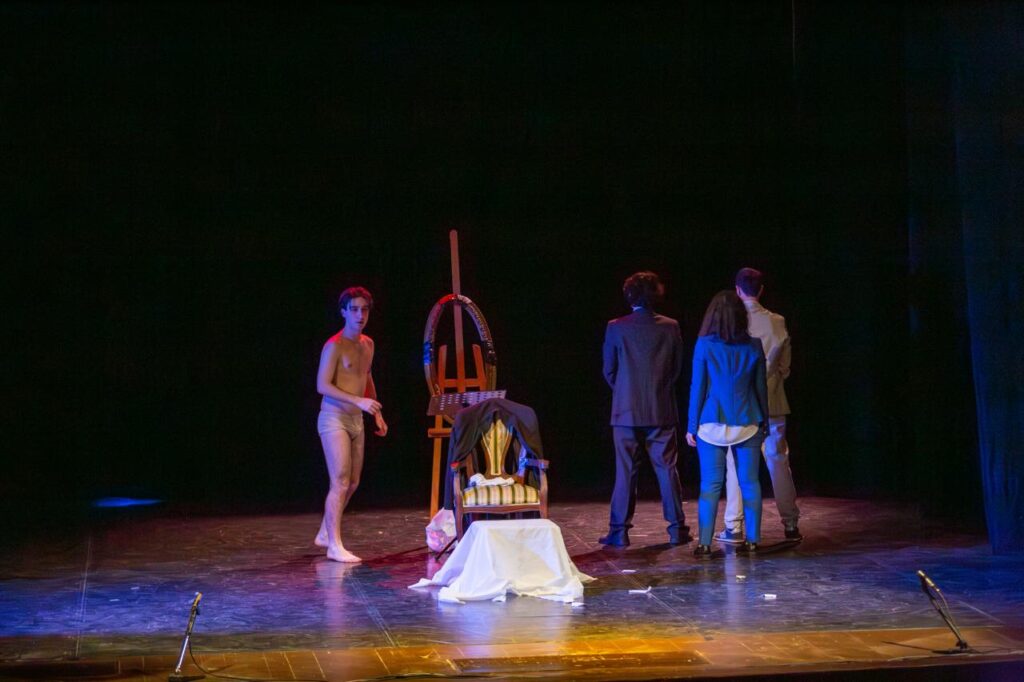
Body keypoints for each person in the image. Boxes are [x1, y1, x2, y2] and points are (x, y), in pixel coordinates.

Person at [599, 271, 691, 547]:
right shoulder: (670, 327)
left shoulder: (617, 327)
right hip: (660, 408)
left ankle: (619, 531)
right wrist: (657, 390)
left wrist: (626, 391)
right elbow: (676, 369)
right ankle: (676, 529)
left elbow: (609, 370)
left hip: (625, 410)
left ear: (629, 296)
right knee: (667, 469)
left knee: (625, 470)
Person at [718, 268, 801, 544]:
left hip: (740, 405)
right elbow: (785, 367)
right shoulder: (777, 321)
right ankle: (791, 524)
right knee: (778, 462)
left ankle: (734, 526)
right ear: (761, 290)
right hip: (772, 402)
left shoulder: (731, 321)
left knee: (736, 463)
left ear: (737, 290)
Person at [686, 290, 768, 558]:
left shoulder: (704, 345)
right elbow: (760, 388)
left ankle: (704, 544)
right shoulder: (754, 345)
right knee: (750, 482)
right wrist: (765, 421)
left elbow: (697, 387)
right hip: (748, 420)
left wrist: (691, 425)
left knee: (710, 486)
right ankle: (753, 540)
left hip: (712, 423)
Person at [314, 287, 388, 562]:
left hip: (357, 419)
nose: (360, 315)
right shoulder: (334, 345)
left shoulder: (368, 344)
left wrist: (375, 411)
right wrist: (358, 400)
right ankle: (334, 545)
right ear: (343, 312)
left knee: (353, 482)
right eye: (354, 309)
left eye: (364, 310)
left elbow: (366, 376)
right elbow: (322, 385)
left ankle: (325, 532)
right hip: (334, 418)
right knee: (340, 481)